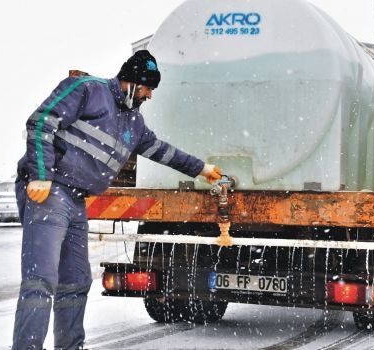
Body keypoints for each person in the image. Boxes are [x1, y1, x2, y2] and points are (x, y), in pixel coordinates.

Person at [12, 50, 221, 349]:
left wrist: (201, 168)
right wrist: (40, 173)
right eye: (148, 88)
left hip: (76, 199)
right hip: (49, 192)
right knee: (41, 281)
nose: (149, 96)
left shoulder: (133, 122)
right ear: (133, 82)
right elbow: (42, 121)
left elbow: (161, 150)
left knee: (76, 282)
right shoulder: (87, 89)